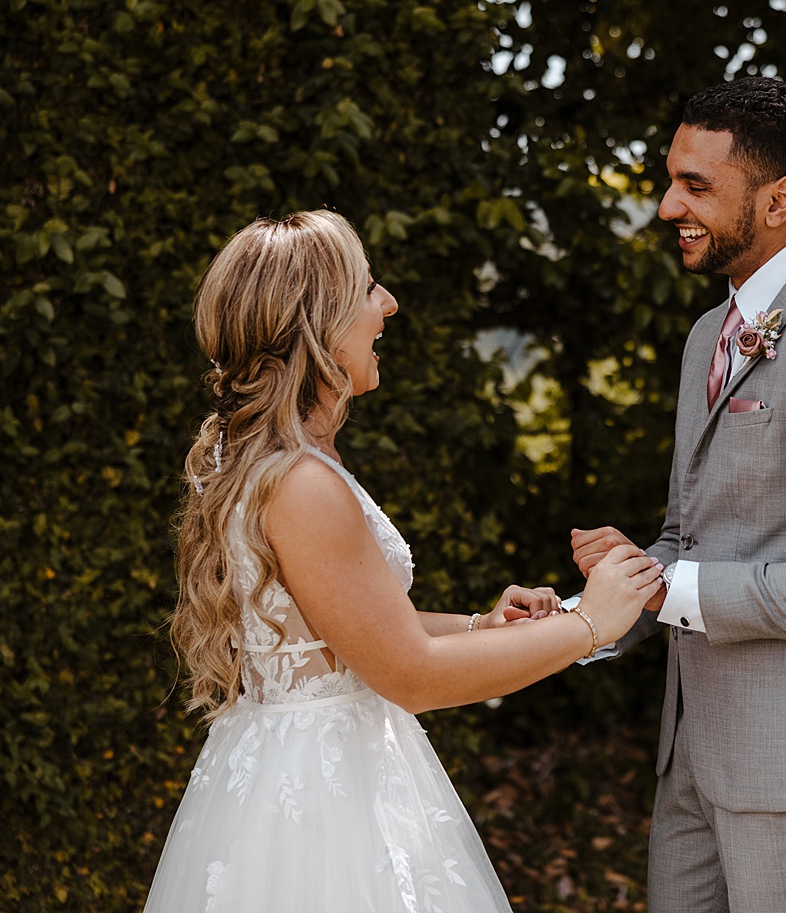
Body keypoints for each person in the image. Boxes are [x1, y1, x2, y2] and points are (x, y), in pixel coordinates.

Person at [143, 210, 664, 913]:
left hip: (311, 766)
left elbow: (347, 632)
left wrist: (481, 625)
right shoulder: (301, 483)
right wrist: (591, 624)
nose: (387, 304)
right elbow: (410, 675)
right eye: (368, 287)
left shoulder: (286, 462)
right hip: (324, 809)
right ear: (318, 321)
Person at [571, 77, 786, 913]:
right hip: (694, 750)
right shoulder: (708, 335)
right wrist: (585, 613)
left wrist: (669, 589)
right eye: (671, 180)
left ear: (779, 199)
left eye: (695, 186)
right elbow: (686, 535)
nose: (667, 207)